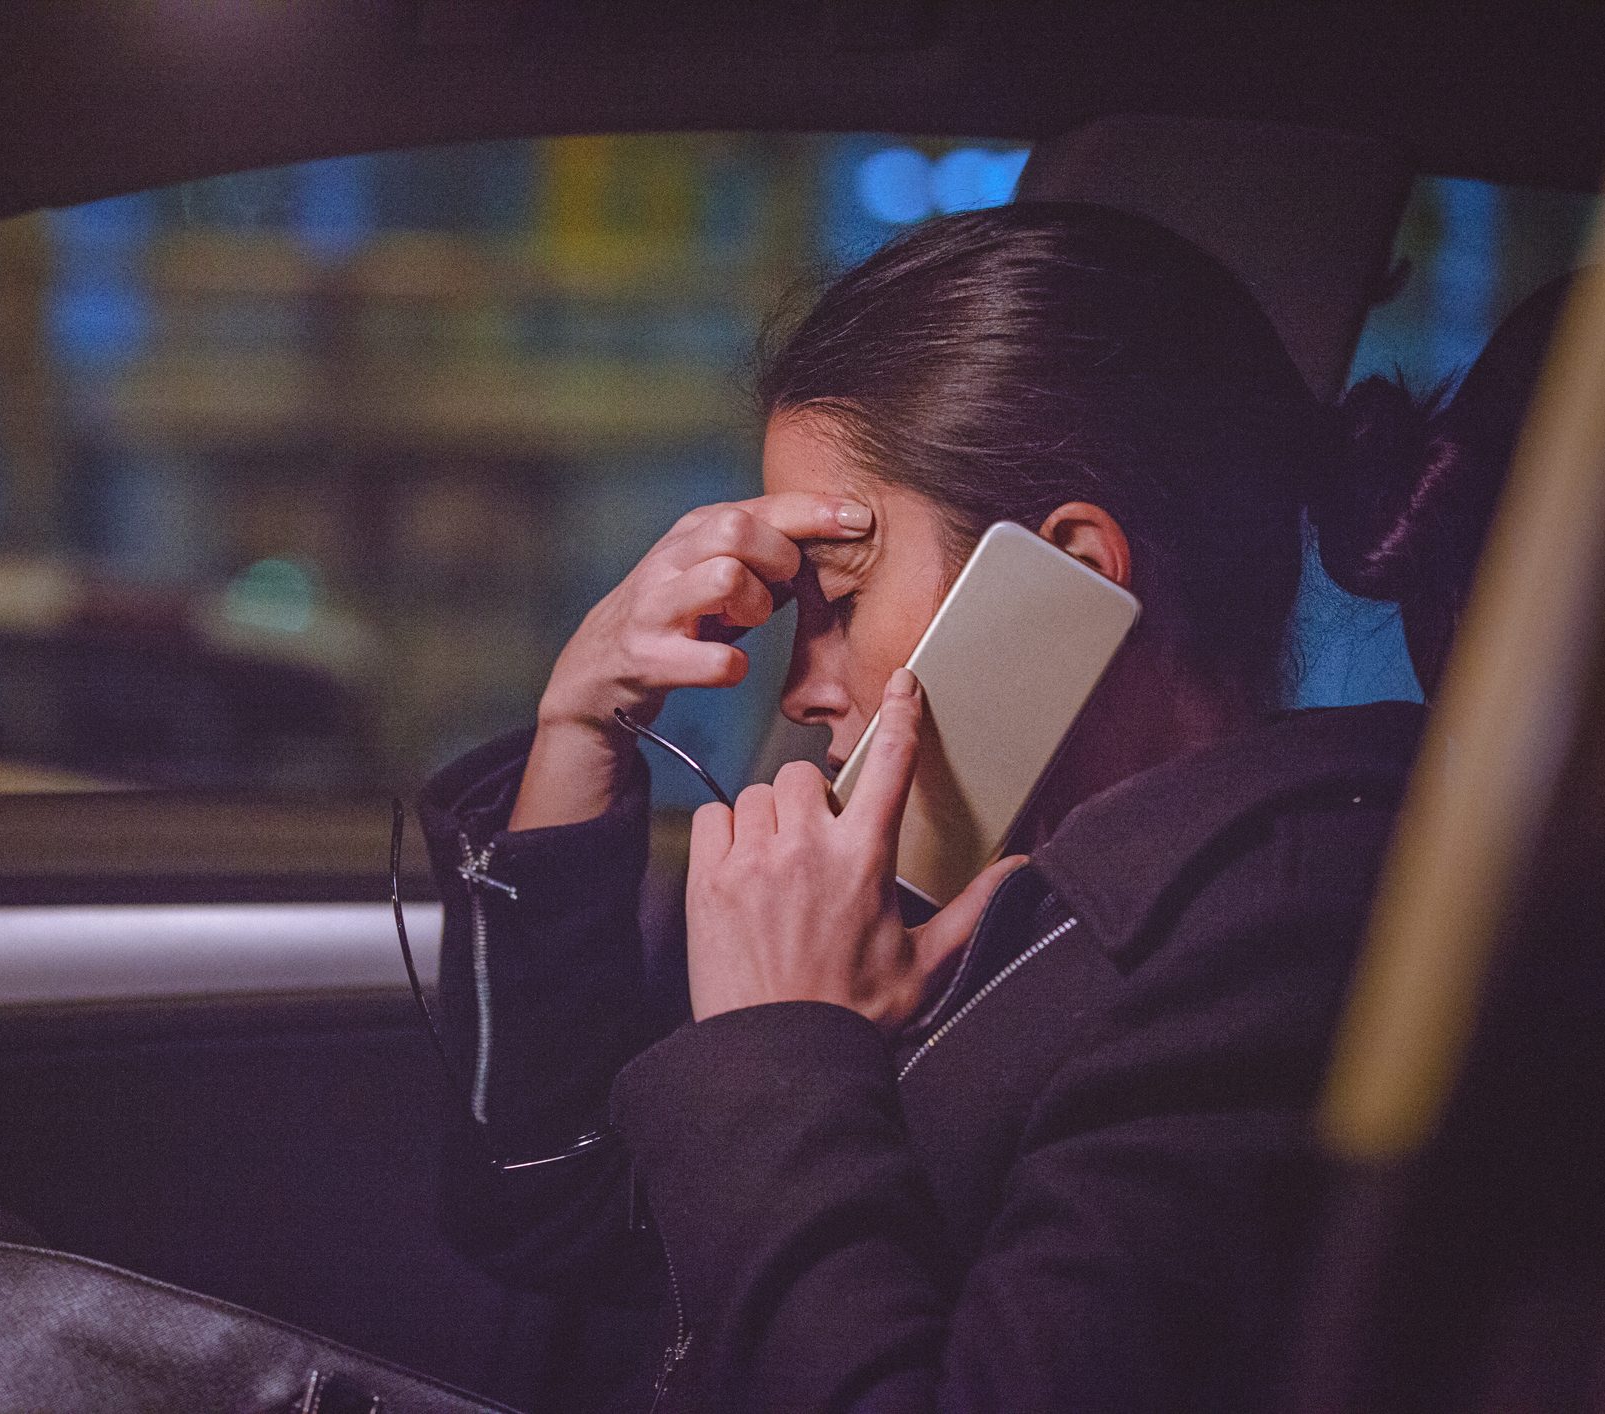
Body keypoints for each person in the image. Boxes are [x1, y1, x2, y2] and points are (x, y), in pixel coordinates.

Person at [414, 204, 1542, 1413]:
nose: (800, 687)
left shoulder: (1280, 945)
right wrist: (578, 737)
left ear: (1070, 574)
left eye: (838, 601)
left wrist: (789, 1044)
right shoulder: (991, 892)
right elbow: (551, 1210)